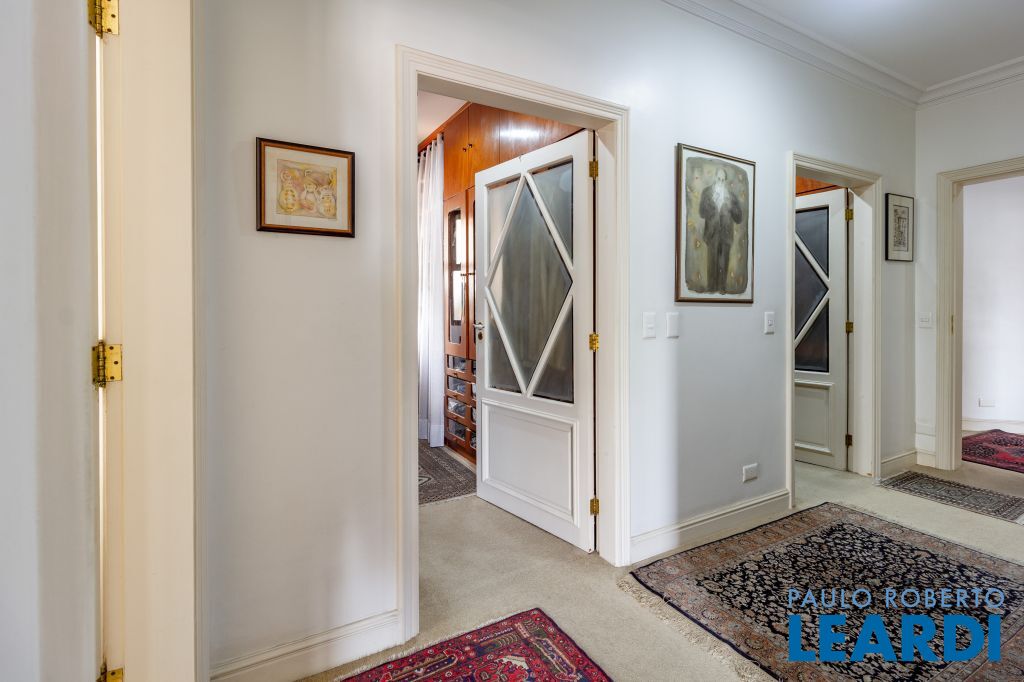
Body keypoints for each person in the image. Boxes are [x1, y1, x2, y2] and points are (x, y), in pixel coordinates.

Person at [699, 167, 742, 292]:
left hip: (726, 235)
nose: (721, 182)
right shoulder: (707, 192)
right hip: (711, 234)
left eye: (723, 180)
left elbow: (739, 218)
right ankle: (711, 290)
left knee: (723, 264)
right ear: (715, 178)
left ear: (725, 181)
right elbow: (702, 212)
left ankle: (722, 290)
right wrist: (713, 205)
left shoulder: (731, 196)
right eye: (719, 179)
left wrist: (730, 206)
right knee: (712, 264)